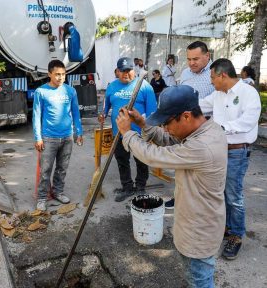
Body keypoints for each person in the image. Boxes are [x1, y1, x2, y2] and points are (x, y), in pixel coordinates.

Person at [116, 85, 227, 287]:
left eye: (167, 122)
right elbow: (170, 139)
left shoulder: (202, 146)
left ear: (185, 116)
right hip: (196, 223)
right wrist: (142, 124)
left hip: (199, 232)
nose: (165, 128)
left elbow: (154, 155)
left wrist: (127, 133)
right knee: (195, 278)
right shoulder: (206, 129)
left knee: (199, 281)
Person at [199, 58, 261, 260]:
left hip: (237, 151)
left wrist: (221, 128)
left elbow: (248, 122)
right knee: (219, 191)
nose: (211, 82)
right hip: (218, 150)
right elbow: (200, 106)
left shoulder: (248, 93)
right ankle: (226, 227)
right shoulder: (217, 94)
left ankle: (236, 235)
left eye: (212, 77)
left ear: (222, 75)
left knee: (234, 196)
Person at [99, 57, 157, 202]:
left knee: (141, 160)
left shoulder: (144, 86)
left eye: (128, 71)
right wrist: (102, 114)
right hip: (118, 132)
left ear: (134, 70)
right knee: (122, 161)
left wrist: (151, 130)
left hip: (140, 133)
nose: (125, 74)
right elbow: (105, 107)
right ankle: (127, 187)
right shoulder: (112, 86)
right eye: (122, 71)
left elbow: (152, 113)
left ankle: (141, 187)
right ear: (117, 71)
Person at [165, 40, 214, 209]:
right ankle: (178, 197)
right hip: (185, 129)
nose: (192, 63)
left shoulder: (215, 74)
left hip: (205, 131)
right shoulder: (186, 73)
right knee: (182, 169)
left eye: (196, 59)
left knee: (203, 174)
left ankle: (201, 205)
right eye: (189, 59)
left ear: (207, 56)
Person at [33, 59, 83, 211]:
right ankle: (42, 198)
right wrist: (38, 137)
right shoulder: (41, 92)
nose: (60, 78)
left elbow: (75, 112)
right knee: (45, 170)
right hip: (48, 138)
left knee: (62, 168)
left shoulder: (70, 91)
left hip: (67, 137)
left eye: (63, 74)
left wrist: (78, 132)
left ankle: (58, 192)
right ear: (49, 74)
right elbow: (36, 115)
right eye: (57, 75)